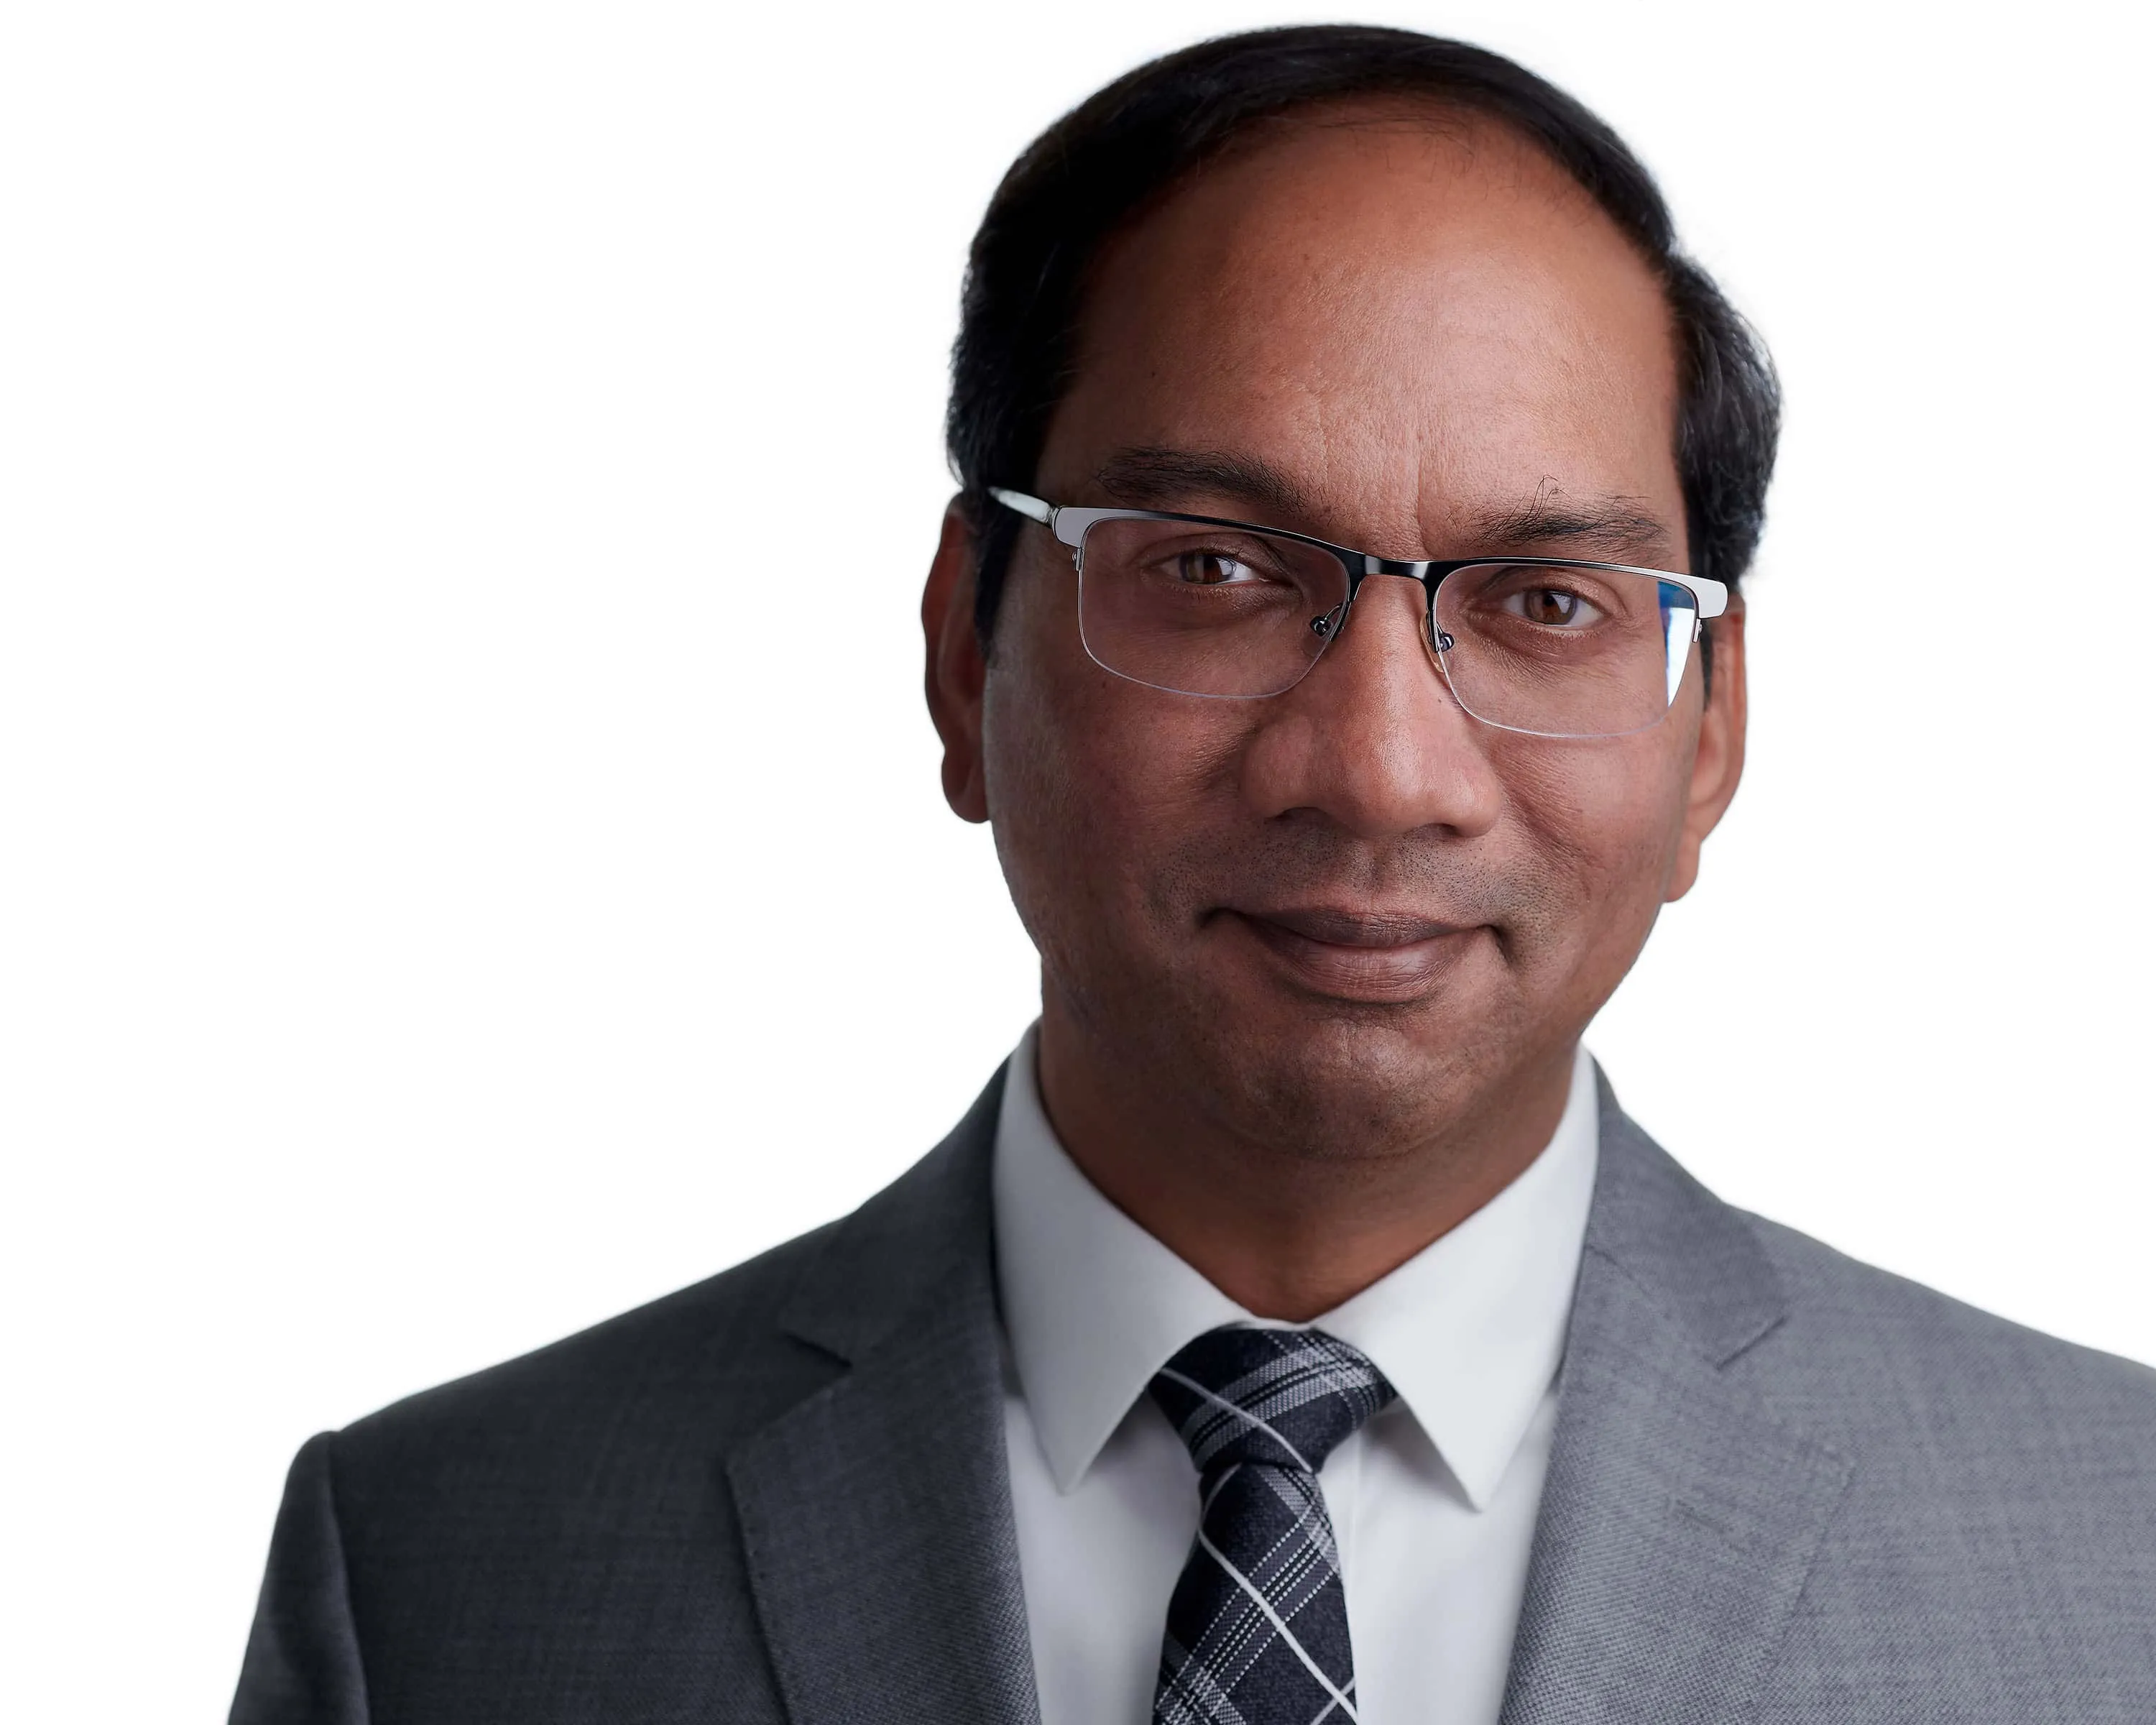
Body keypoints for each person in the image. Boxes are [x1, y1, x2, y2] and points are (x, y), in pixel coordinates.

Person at [230, 25, 2156, 1724]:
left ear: (1710, 728)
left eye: (1549, 601)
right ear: (962, 650)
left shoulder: (2116, 1557)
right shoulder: (435, 1571)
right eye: (1217, 570)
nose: (1381, 770)